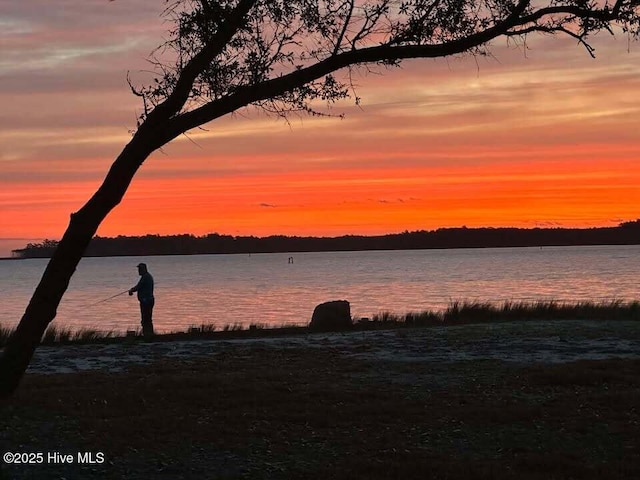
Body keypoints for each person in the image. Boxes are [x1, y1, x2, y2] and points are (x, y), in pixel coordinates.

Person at [129, 263, 154, 338]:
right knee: (147, 319)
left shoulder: (146, 277)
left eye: (140, 269)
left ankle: (148, 335)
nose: (138, 271)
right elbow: (139, 286)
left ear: (144, 269)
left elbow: (138, 286)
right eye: (138, 269)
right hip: (147, 301)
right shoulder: (146, 276)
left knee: (146, 319)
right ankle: (148, 334)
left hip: (146, 301)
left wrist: (131, 290)